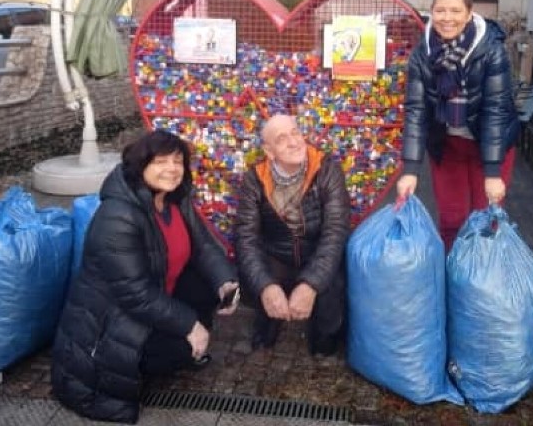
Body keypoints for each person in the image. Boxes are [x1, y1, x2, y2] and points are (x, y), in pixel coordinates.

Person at [51, 130, 239, 424]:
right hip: (112, 324)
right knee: (183, 347)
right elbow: (134, 294)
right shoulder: (118, 216)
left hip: (154, 299)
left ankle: (173, 349)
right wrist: (190, 325)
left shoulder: (175, 199)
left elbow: (204, 246)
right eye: (161, 161)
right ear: (140, 166)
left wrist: (225, 281)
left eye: (178, 161)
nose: (172, 169)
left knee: (205, 285)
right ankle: (161, 358)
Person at [397, 0, 520, 250]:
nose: (447, 18)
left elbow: (495, 112)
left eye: (455, 11)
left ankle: (482, 281)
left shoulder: (491, 50)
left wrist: (492, 172)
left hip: (489, 144)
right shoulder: (422, 54)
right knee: (452, 219)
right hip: (449, 146)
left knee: (485, 219)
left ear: (468, 13)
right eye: (440, 10)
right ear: (431, 12)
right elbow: (416, 111)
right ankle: (453, 275)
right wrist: (410, 170)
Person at [235, 113, 351, 356]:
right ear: (269, 151)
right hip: (277, 254)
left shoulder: (327, 169)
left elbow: (335, 231)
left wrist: (311, 284)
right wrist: (266, 286)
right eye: (281, 138)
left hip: (316, 252)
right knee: (258, 280)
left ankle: (324, 340)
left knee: (331, 293)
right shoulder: (255, 179)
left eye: (295, 132)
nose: (293, 142)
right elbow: (246, 238)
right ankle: (267, 327)